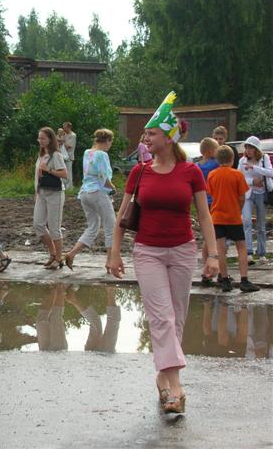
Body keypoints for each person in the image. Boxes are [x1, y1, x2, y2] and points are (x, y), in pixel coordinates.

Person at [108, 92, 219, 414]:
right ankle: (176, 388)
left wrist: (213, 255)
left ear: (169, 138)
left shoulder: (191, 172)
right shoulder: (139, 172)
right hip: (148, 252)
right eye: (145, 133)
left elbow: (205, 216)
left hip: (183, 251)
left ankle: (162, 378)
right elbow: (122, 215)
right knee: (162, 317)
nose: (145, 138)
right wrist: (114, 253)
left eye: (151, 133)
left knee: (177, 319)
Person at [207, 145, 260, 293]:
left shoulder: (212, 175)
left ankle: (224, 280)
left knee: (221, 249)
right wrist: (238, 209)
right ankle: (244, 280)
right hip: (233, 216)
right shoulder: (237, 175)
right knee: (241, 247)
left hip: (217, 216)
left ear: (218, 160)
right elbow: (242, 196)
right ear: (232, 159)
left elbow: (211, 193)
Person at [63, 129, 116, 271]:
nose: (110, 145)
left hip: (85, 193)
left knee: (92, 227)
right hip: (98, 193)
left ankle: (72, 253)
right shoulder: (102, 154)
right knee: (111, 227)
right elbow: (103, 177)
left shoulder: (88, 152)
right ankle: (109, 262)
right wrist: (113, 188)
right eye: (111, 142)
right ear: (107, 141)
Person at [33, 127, 67, 270]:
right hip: (41, 193)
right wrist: (36, 192)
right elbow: (37, 176)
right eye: (39, 138)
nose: (40, 141)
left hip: (55, 194)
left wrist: (49, 170)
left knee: (54, 228)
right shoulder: (41, 155)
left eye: (43, 138)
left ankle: (58, 258)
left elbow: (64, 174)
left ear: (50, 139)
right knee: (38, 224)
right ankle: (53, 252)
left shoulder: (56, 155)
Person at [238, 136, 273, 264]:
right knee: (247, 221)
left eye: (251, 148)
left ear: (256, 149)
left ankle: (262, 253)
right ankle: (248, 253)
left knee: (261, 225)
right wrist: (252, 181)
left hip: (262, 194)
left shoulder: (264, 158)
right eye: (246, 147)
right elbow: (239, 178)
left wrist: (254, 168)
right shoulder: (242, 160)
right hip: (248, 194)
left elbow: (270, 173)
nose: (248, 150)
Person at [197, 137, 220, 283]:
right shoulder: (215, 164)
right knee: (214, 236)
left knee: (206, 235)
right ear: (210, 151)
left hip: (202, 202)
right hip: (214, 201)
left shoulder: (197, 165)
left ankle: (205, 266)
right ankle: (213, 268)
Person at [62, 122, 77, 189]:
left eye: (65, 128)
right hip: (63, 156)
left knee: (68, 172)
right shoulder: (64, 134)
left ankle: (69, 187)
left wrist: (61, 142)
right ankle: (64, 187)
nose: (64, 129)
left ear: (69, 127)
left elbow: (68, 146)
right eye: (63, 128)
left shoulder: (73, 135)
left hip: (69, 156)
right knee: (63, 171)